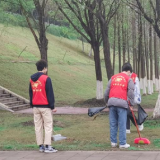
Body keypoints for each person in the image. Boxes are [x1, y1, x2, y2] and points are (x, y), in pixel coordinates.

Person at [29, 59, 57, 153]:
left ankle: (41, 146)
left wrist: (32, 105)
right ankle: (48, 146)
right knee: (48, 125)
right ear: (44, 68)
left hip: (35, 106)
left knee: (38, 126)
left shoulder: (31, 79)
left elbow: (30, 93)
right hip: (45, 106)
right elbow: (50, 93)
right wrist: (52, 106)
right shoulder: (46, 78)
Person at [104, 63, 135, 149]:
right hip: (122, 103)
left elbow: (106, 91)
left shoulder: (113, 78)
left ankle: (113, 142)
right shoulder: (128, 79)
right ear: (128, 71)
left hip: (111, 102)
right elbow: (131, 93)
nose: (130, 74)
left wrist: (107, 101)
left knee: (113, 123)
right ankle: (122, 143)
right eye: (130, 73)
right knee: (122, 123)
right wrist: (131, 104)